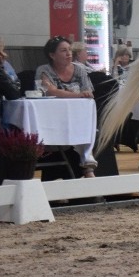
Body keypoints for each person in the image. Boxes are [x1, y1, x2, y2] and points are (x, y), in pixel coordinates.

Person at [35, 36, 97, 177]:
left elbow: (89, 92)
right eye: (63, 50)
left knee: (85, 127)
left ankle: (88, 166)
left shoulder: (80, 70)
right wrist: (78, 95)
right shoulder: (44, 70)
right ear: (52, 55)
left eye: (70, 50)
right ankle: (85, 167)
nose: (69, 53)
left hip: (76, 116)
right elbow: (50, 91)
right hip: (52, 118)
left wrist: (84, 94)